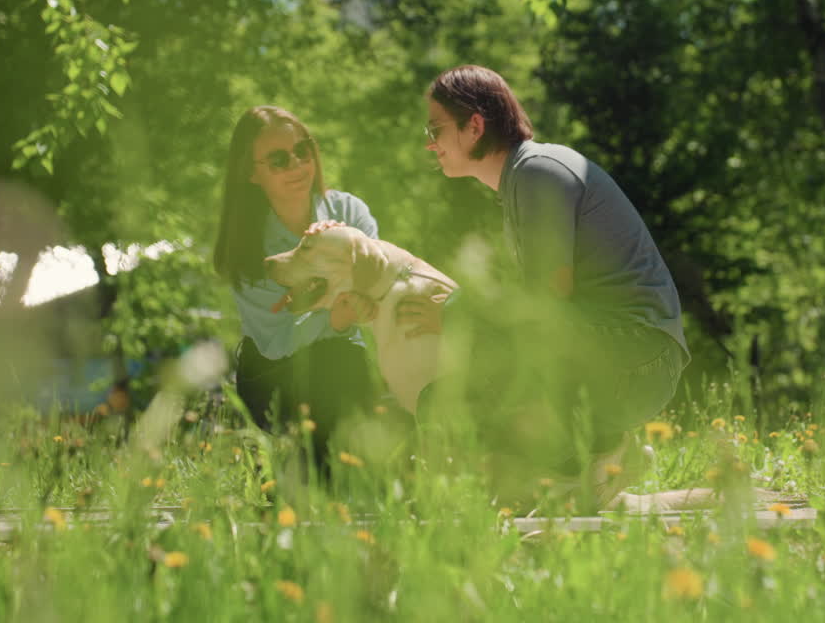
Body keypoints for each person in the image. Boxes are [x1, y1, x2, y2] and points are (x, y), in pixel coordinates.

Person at [401, 65, 690, 507]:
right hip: (617, 353)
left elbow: (546, 300)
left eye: (435, 128)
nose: (429, 142)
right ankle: (581, 473)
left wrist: (458, 312)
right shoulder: (522, 180)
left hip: (637, 357)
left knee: (466, 324)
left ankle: (601, 451)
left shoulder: (538, 171)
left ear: (474, 125)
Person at [213, 105, 382, 469]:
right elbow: (278, 341)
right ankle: (313, 485)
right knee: (335, 361)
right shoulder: (245, 247)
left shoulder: (350, 213)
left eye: (302, 151)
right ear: (250, 173)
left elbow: (375, 281)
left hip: (345, 366)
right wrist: (337, 317)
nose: (296, 166)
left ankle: (320, 481)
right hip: (272, 374)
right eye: (277, 159)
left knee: (356, 365)